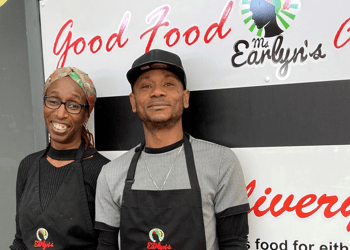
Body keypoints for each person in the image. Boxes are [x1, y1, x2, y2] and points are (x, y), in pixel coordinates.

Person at [95, 49, 250, 250]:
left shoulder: (221, 162)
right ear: (133, 102)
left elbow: (234, 244)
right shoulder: (111, 173)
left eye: (168, 84)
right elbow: (106, 247)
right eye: (146, 86)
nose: (157, 92)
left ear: (185, 97)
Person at [10, 67, 110, 250]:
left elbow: (107, 245)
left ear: (87, 114)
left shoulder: (102, 171)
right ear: (44, 104)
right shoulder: (28, 165)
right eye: (53, 101)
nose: (61, 113)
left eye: (73, 105)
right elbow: (20, 240)